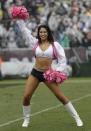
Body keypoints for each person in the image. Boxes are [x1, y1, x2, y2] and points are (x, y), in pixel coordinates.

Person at [16, 19, 83, 128]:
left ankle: (77, 118)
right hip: (35, 73)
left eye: (44, 32)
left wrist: (57, 71)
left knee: (60, 97)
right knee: (26, 96)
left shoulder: (54, 45)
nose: (42, 34)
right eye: (41, 32)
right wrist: (20, 21)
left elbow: (62, 59)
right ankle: (26, 120)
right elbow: (25, 32)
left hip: (48, 74)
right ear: (39, 33)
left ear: (48, 33)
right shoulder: (35, 43)